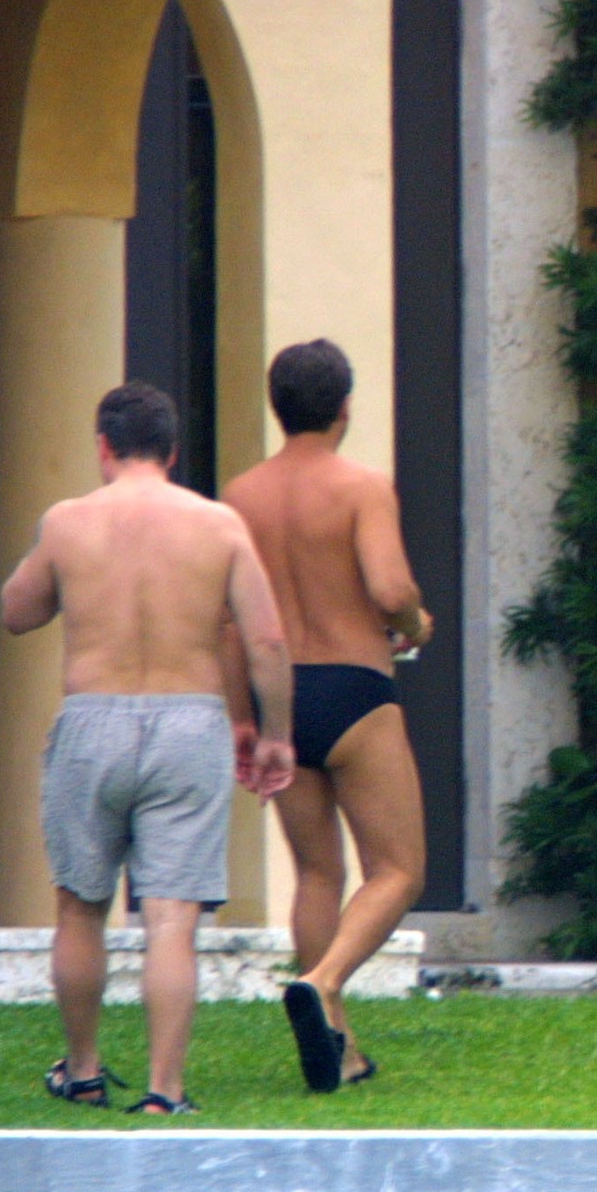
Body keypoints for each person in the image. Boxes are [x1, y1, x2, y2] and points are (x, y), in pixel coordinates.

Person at [1, 382, 295, 1116]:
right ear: (173, 451)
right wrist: (276, 735)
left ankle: (83, 1070)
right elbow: (265, 640)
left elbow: (16, 612)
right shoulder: (218, 525)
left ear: (103, 446)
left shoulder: (67, 521)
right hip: (190, 722)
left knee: (80, 909)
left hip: (91, 721)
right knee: (170, 918)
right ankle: (166, 1089)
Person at [222, 339, 431, 1093]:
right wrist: (415, 621)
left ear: (277, 407)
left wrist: (243, 718)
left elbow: (229, 622)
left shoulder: (240, 496)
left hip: (279, 697)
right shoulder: (361, 487)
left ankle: (337, 1047)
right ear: (344, 406)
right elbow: (389, 589)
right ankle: (326, 980)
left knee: (316, 872)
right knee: (398, 871)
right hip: (353, 689)